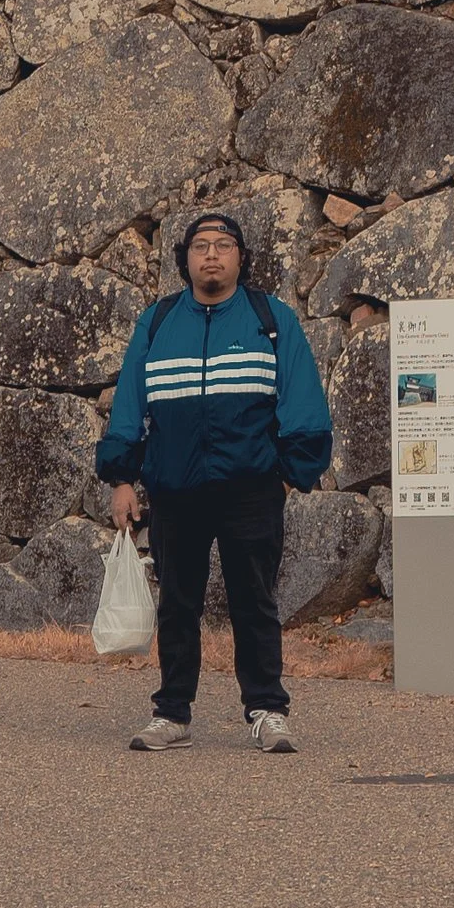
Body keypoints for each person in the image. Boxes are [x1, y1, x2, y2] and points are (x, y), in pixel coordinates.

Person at [95, 209, 333, 753]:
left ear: (240, 259)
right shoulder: (156, 323)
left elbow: (302, 400)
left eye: (223, 245)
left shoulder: (271, 319)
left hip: (252, 488)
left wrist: (290, 476)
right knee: (178, 602)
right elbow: (130, 403)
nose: (211, 255)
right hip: (175, 489)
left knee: (256, 601)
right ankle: (172, 712)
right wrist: (122, 478)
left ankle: (268, 709)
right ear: (185, 259)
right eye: (200, 245)